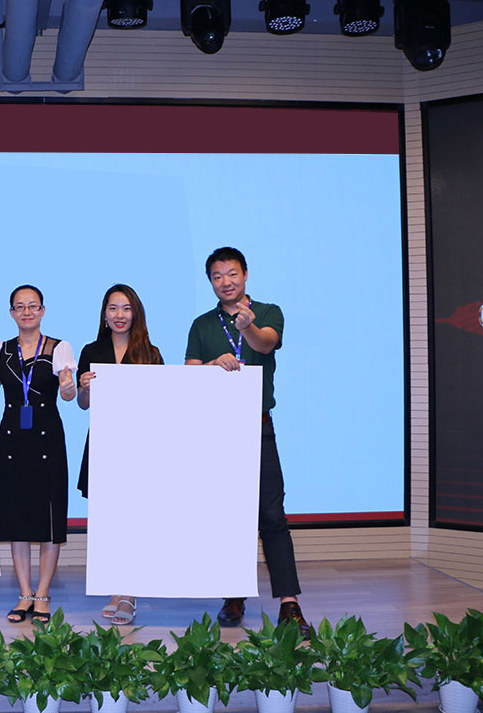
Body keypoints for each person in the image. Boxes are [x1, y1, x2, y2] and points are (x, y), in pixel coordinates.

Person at [185, 246, 312, 638]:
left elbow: (265, 344)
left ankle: (289, 603)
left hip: (258, 427)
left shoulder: (267, 312)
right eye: (217, 276)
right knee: (227, 515)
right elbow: (189, 376)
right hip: (217, 432)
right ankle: (234, 594)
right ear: (210, 281)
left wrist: (246, 327)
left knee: (272, 515)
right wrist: (212, 365)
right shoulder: (202, 324)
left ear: (245, 275)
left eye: (232, 274)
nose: (225, 282)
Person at [0, 285, 77, 624]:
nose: (27, 312)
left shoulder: (59, 348)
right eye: (20, 307)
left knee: (49, 519)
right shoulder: (1, 350)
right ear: (12, 313)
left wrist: (68, 386)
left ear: (43, 310)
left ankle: (43, 594)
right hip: (12, 441)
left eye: (33, 306)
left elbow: (69, 394)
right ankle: (24, 593)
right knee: (17, 519)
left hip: (48, 441)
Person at [75, 283, 164, 626]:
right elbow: (84, 404)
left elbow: (163, 401)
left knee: (133, 519)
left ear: (136, 313)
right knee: (108, 520)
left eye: (126, 308)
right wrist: (84, 387)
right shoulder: (91, 350)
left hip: (139, 445)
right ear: (104, 314)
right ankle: (116, 588)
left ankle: (129, 593)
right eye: (113, 308)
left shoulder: (150, 352)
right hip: (103, 442)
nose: (119, 315)